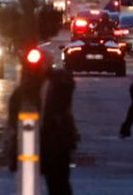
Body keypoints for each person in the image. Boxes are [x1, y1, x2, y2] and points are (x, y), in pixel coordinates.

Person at [40, 67, 78, 195]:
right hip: (58, 144)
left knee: (57, 181)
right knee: (60, 181)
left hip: (54, 144)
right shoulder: (61, 98)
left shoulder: (54, 93)